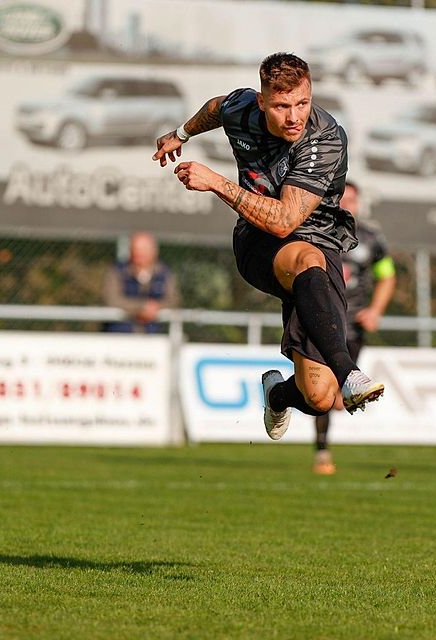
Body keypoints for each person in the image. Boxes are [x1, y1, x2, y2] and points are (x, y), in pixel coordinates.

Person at [152, 52, 385, 441]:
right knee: (306, 257)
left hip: (315, 236)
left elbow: (286, 220)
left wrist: (216, 182)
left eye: (302, 103)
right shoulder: (242, 107)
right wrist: (181, 133)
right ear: (261, 102)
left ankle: (278, 393)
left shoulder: (325, 137)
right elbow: (215, 108)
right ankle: (350, 373)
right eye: (281, 106)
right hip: (258, 242)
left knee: (319, 396)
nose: (294, 116)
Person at [312, 181, 396, 475]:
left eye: (353, 200)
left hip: (354, 325)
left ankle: (333, 399)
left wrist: (375, 310)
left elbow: (387, 276)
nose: (348, 204)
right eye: (342, 198)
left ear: (360, 204)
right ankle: (322, 452)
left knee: (335, 398)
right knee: (324, 392)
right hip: (322, 319)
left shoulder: (370, 239)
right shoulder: (316, 230)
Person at [101, 232, 178, 334]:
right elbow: (112, 300)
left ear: (154, 251)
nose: (139, 253)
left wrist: (156, 307)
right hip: (120, 333)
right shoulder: (117, 271)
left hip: (153, 334)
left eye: (144, 249)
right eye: (135, 249)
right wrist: (140, 308)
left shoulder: (164, 273)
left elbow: (173, 300)